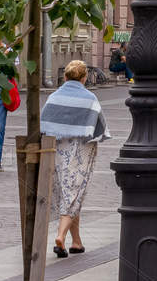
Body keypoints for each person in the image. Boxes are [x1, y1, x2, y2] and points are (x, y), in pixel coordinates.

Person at [42, 60, 109, 258]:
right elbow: (100, 125)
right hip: (82, 150)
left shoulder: (53, 97)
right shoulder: (90, 98)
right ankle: (61, 236)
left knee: (67, 191)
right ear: (84, 78)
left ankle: (76, 242)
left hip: (57, 149)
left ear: (65, 77)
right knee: (74, 192)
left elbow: (44, 123)